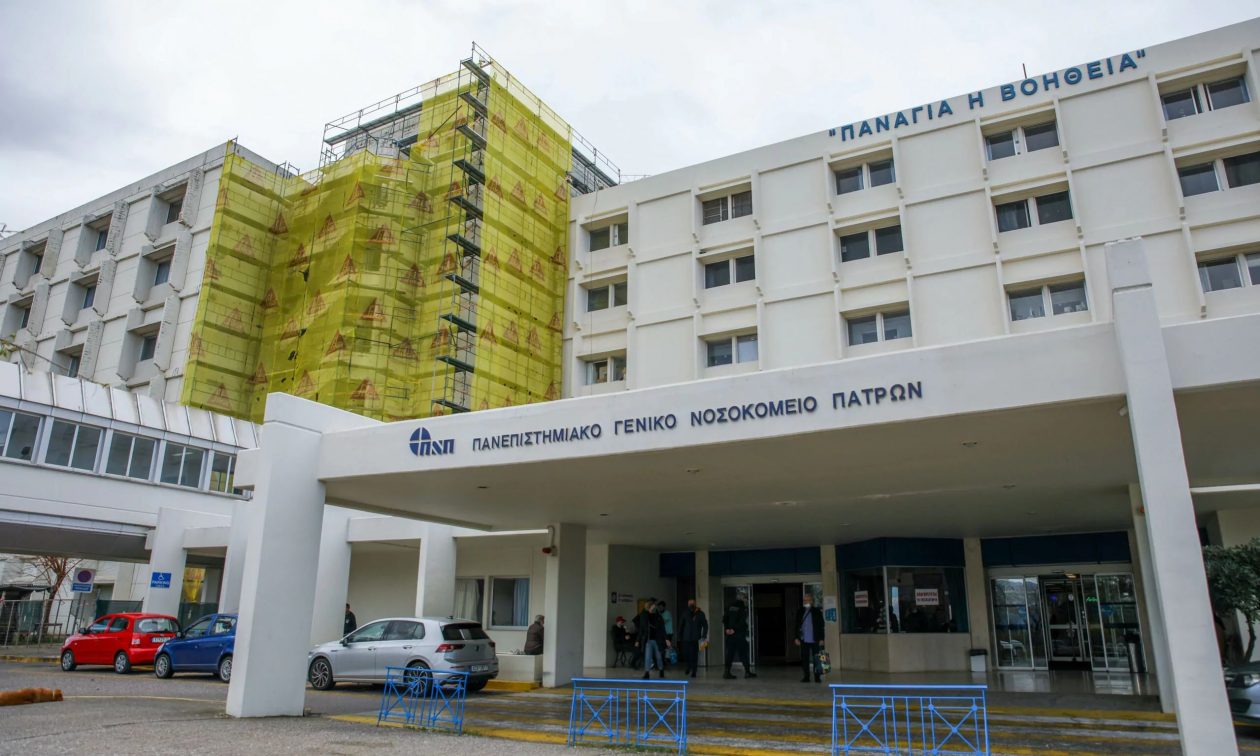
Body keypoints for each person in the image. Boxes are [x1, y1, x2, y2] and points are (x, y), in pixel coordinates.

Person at [722, 593, 756, 679]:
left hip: (730, 635)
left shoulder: (729, 607)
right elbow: (742, 622)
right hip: (739, 634)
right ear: (742, 599)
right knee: (743, 653)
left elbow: (725, 619)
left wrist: (727, 629)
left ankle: (726, 672)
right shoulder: (742, 608)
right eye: (746, 598)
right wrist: (734, 629)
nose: (747, 600)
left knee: (730, 654)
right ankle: (747, 672)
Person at [794, 593, 826, 683]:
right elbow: (796, 625)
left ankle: (817, 677)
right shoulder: (800, 611)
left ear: (811, 601)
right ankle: (806, 676)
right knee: (805, 659)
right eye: (804, 600)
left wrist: (822, 638)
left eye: (807, 600)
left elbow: (821, 626)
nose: (806, 602)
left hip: (815, 639)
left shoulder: (816, 611)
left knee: (817, 658)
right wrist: (796, 637)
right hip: (804, 639)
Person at [635, 600, 669, 679]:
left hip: (657, 640)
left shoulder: (658, 616)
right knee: (648, 657)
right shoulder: (644, 616)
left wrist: (666, 639)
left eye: (654, 606)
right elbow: (641, 629)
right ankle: (647, 672)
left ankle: (661, 670)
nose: (654, 607)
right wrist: (637, 640)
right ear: (649, 607)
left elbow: (662, 629)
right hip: (648, 640)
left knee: (658, 656)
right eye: (653, 606)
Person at [677, 598, 708, 678]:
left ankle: (694, 671)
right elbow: (681, 625)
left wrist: (704, 635)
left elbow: (705, 625)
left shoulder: (700, 613)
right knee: (686, 654)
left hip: (695, 638)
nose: (691, 605)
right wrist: (679, 635)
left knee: (694, 655)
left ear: (695, 604)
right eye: (689, 603)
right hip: (686, 638)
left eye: (692, 603)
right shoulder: (685, 613)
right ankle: (688, 666)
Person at [656, 601, 674, 668]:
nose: (659, 608)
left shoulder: (667, 613)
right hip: (663, 634)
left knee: (666, 648)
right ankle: (663, 662)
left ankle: (665, 662)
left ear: (664, 607)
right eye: (659, 607)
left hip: (668, 633)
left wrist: (658, 617)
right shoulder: (661, 613)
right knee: (663, 648)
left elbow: (663, 622)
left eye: (661, 607)